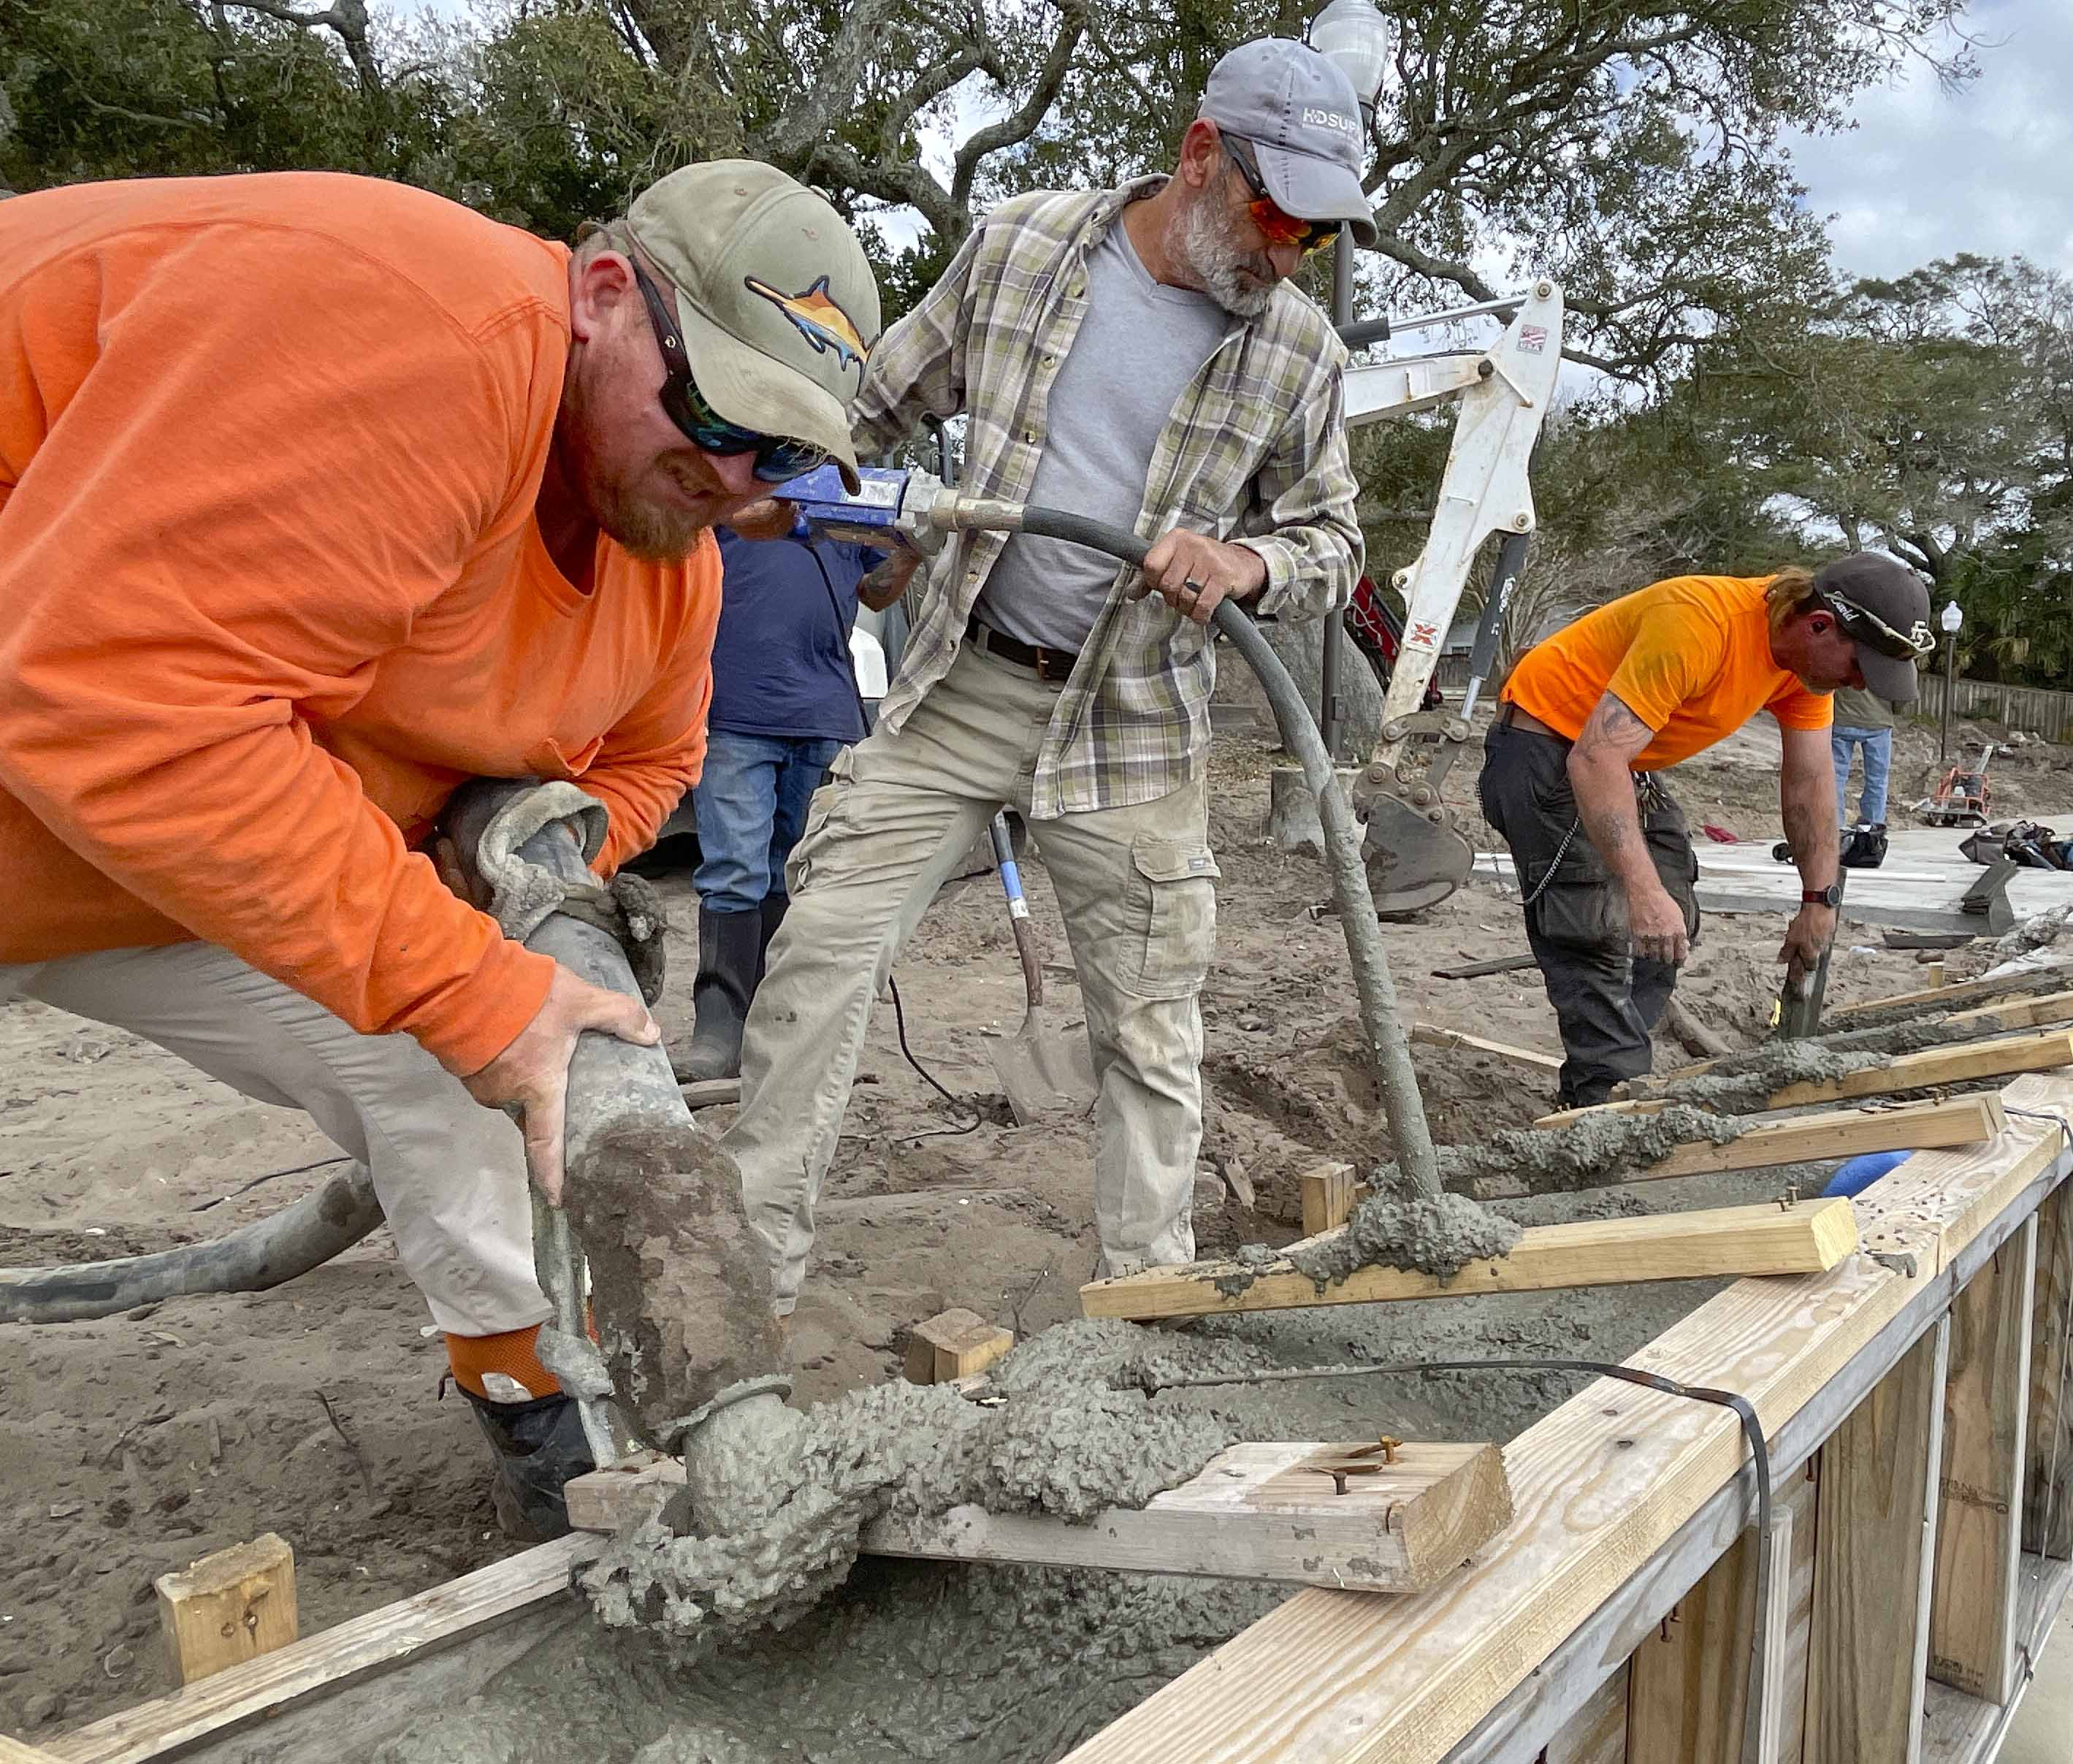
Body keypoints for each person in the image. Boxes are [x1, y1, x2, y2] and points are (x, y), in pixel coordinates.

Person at [0, 161, 882, 1535]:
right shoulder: (415, 335)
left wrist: (506, 872)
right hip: (73, 763)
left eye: (778, 453)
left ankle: (554, 1445)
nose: (728, 475)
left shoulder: (670, 565)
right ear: (602, 294)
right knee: (468, 1008)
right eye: (711, 411)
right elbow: (108, 698)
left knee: (461, 1064)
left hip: (121, 856)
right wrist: (471, 980)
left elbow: (646, 769)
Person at [725, 36, 1369, 1299]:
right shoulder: (1020, 245)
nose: (1290, 252)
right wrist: (814, 496)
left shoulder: (1300, 353)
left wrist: (1245, 568)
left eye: (1318, 235)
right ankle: (748, 1297)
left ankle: (1147, 1319)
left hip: (1131, 724)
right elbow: (874, 405)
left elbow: (1334, 542)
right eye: (1277, 214)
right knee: (817, 963)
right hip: (962, 687)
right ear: (1199, 155)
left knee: (1148, 1034)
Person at [1479, 555, 1935, 1107]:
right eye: (1859, 665)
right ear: (1819, 624)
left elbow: (1810, 780)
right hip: (1545, 746)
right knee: (1595, 928)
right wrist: (1641, 895)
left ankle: (1603, 1080)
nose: (1858, 681)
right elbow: (1594, 760)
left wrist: (1819, 899)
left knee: (1670, 927)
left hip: (1618, 760)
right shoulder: (1699, 623)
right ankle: (1605, 1106)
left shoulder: (1801, 665)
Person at [672, 524, 890, 1083]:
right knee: (734, 868)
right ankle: (718, 1031)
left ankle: (769, 1025)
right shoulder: (744, 471)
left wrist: (910, 556)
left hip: (822, 711)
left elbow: (876, 589)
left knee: (789, 874)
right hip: (735, 709)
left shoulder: (845, 494)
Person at [1828, 684, 1898, 833]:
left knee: (1835, 777)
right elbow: (1906, 681)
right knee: (1877, 780)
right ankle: (1873, 829)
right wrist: (1894, 709)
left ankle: (1834, 828)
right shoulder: (1886, 658)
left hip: (1842, 716)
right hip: (1879, 719)